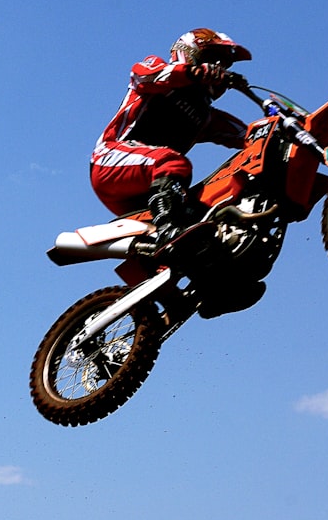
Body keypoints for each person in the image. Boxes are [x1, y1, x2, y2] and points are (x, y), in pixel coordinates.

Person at [89, 28, 263, 318]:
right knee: (174, 162)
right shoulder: (155, 68)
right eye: (214, 59)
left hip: (148, 187)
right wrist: (197, 73)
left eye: (224, 65)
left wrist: (277, 129)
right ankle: (171, 234)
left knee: (204, 215)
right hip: (111, 161)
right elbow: (147, 75)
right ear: (192, 51)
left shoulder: (206, 115)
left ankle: (212, 289)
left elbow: (248, 136)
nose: (220, 69)